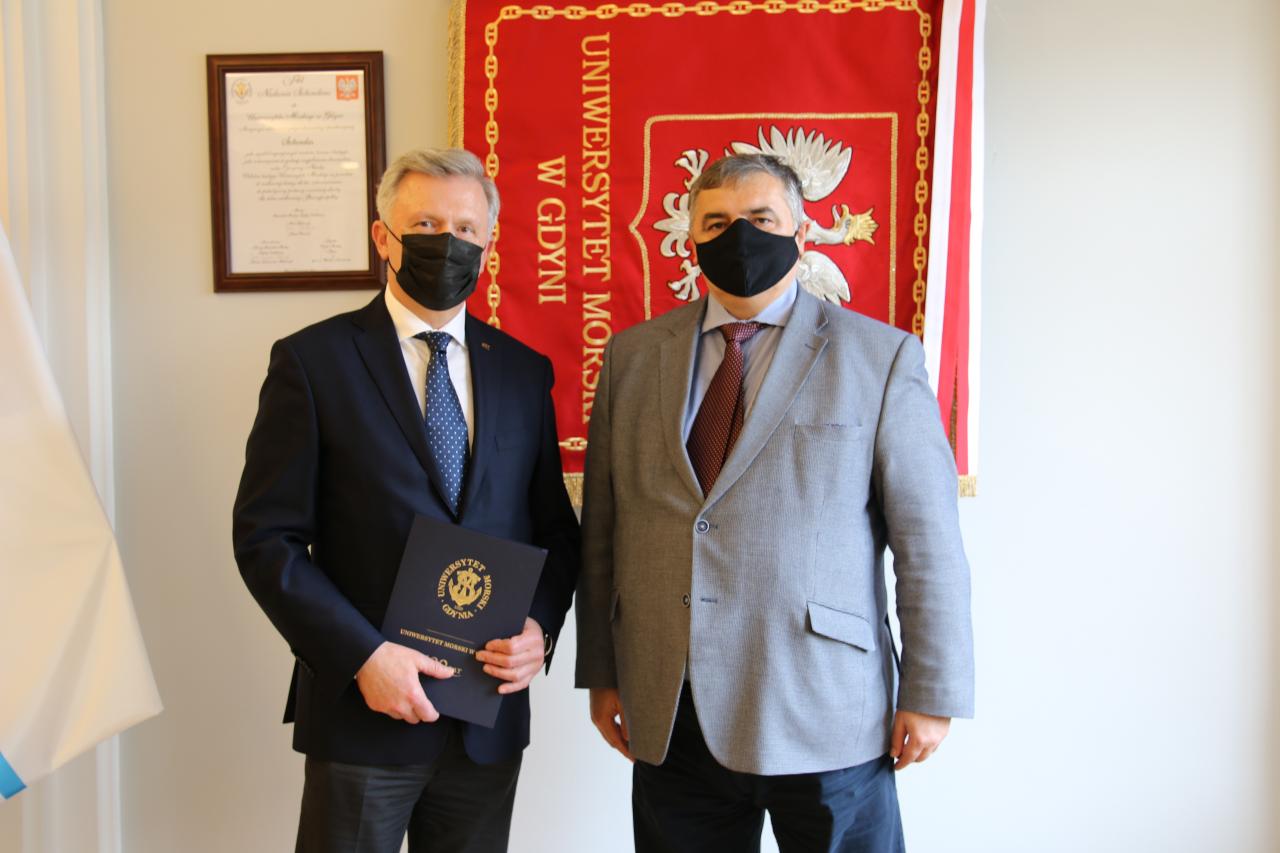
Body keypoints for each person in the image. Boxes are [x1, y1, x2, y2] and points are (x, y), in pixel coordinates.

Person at [575, 153, 974, 852]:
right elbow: (605, 532)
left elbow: (928, 542)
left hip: (827, 709)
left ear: (802, 231)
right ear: (690, 239)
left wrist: (932, 689)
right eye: (716, 223)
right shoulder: (632, 358)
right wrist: (603, 672)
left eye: (760, 219)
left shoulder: (880, 358)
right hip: (674, 709)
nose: (739, 236)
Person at [233, 147, 579, 853]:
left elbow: (554, 529)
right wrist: (364, 656)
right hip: (363, 713)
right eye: (425, 224)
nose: (447, 243)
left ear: (488, 244)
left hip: (485, 720)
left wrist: (540, 629)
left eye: (465, 229)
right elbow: (267, 539)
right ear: (383, 236)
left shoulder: (522, 372)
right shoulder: (312, 362)